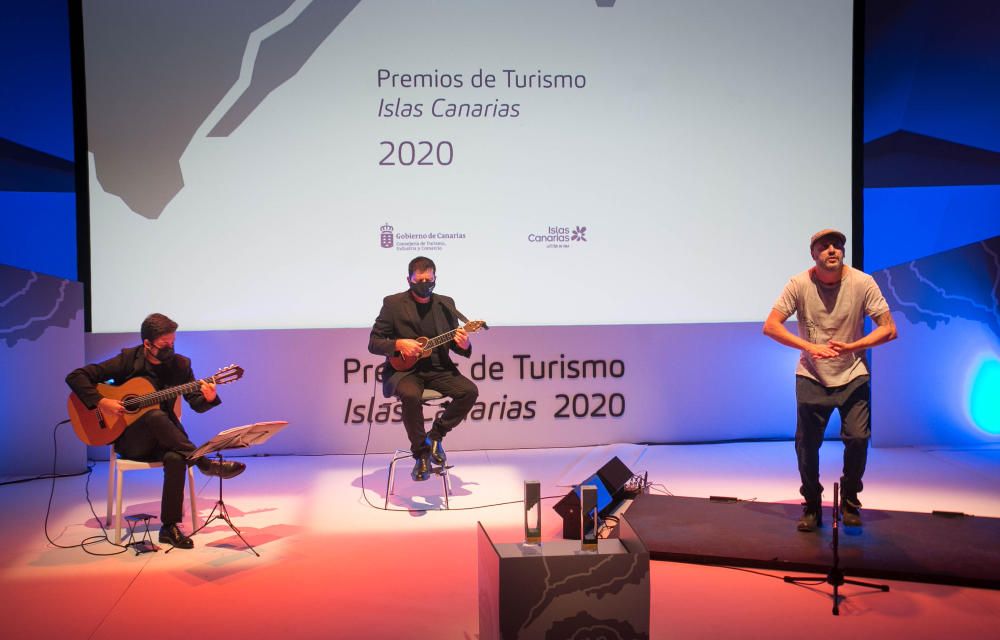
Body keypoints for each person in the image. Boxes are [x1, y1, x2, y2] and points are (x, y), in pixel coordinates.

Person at [66, 313, 245, 549]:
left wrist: (209, 397)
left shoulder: (182, 365)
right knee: (153, 414)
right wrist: (101, 402)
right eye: (164, 345)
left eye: (172, 343)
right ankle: (204, 463)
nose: (170, 348)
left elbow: (196, 404)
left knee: (176, 457)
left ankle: (169, 528)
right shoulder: (128, 360)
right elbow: (76, 376)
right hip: (133, 442)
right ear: (147, 344)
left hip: (167, 441)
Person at [763, 229, 897, 532]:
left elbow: (889, 328)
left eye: (838, 245)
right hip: (812, 374)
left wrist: (853, 346)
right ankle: (811, 503)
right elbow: (771, 326)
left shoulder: (863, 283)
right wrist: (809, 347)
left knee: (858, 439)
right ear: (814, 254)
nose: (832, 250)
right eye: (824, 246)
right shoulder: (798, 284)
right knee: (806, 445)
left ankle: (850, 500)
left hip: (852, 374)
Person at [369, 256, 479, 481]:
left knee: (469, 391)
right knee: (410, 395)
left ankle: (435, 436)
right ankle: (421, 455)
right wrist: (399, 344)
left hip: (439, 369)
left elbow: (455, 345)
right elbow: (374, 343)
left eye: (429, 280)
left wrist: (464, 345)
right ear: (409, 280)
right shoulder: (393, 304)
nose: (425, 284)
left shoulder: (445, 303)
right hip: (405, 371)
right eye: (420, 280)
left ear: (435, 279)